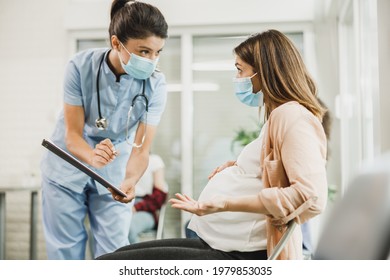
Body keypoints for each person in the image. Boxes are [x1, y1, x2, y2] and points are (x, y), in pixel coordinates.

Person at [97, 29, 328, 260]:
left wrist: (224, 203)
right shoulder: (278, 117)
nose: (237, 78)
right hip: (229, 246)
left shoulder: (293, 116)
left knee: (110, 264)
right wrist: (238, 168)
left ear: (264, 72)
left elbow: (310, 196)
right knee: (119, 256)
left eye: (240, 70)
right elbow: (273, 173)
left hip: (245, 256)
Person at [40, 0, 168, 259]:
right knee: (66, 253)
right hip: (67, 166)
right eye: (143, 51)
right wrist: (91, 156)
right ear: (116, 43)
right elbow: (73, 135)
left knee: (114, 253)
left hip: (114, 175)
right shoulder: (79, 67)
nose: (151, 60)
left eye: (157, 52)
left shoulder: (156, 85)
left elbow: (142, 150)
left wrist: (131, 180)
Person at [128, 153, 168, 243]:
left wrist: (136, 207)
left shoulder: (154, 160)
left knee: (127, 228)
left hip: (144, 210)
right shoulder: (122, 158)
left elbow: (159, 197)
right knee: (99, 228)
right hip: (122, 206)